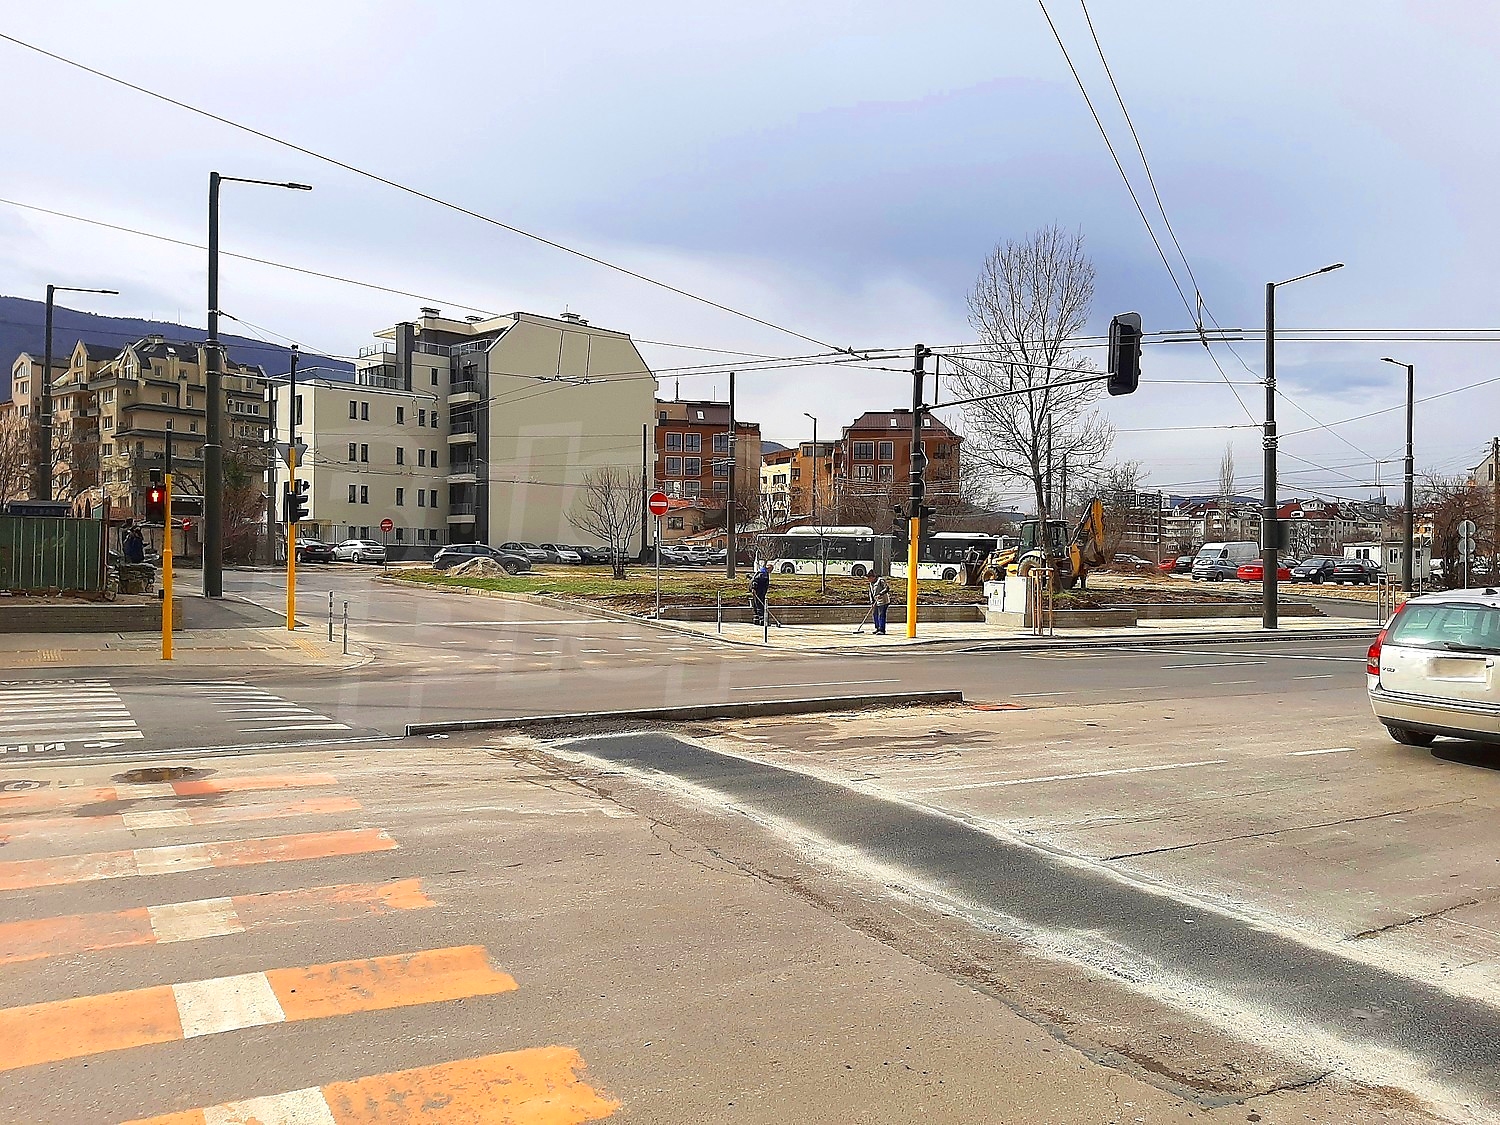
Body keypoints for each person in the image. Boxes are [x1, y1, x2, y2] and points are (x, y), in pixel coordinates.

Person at [750, 561, 771, 626]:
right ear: (769, 568)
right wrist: (754, 588)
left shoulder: (761, 571)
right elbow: (756, 580)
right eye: (771, 570)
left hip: (758, 591)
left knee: (756, 605)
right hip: (759, 591)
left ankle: (756, 620)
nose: (771, 572)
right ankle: (762, 620)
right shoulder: (763, 573)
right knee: (760, 605)